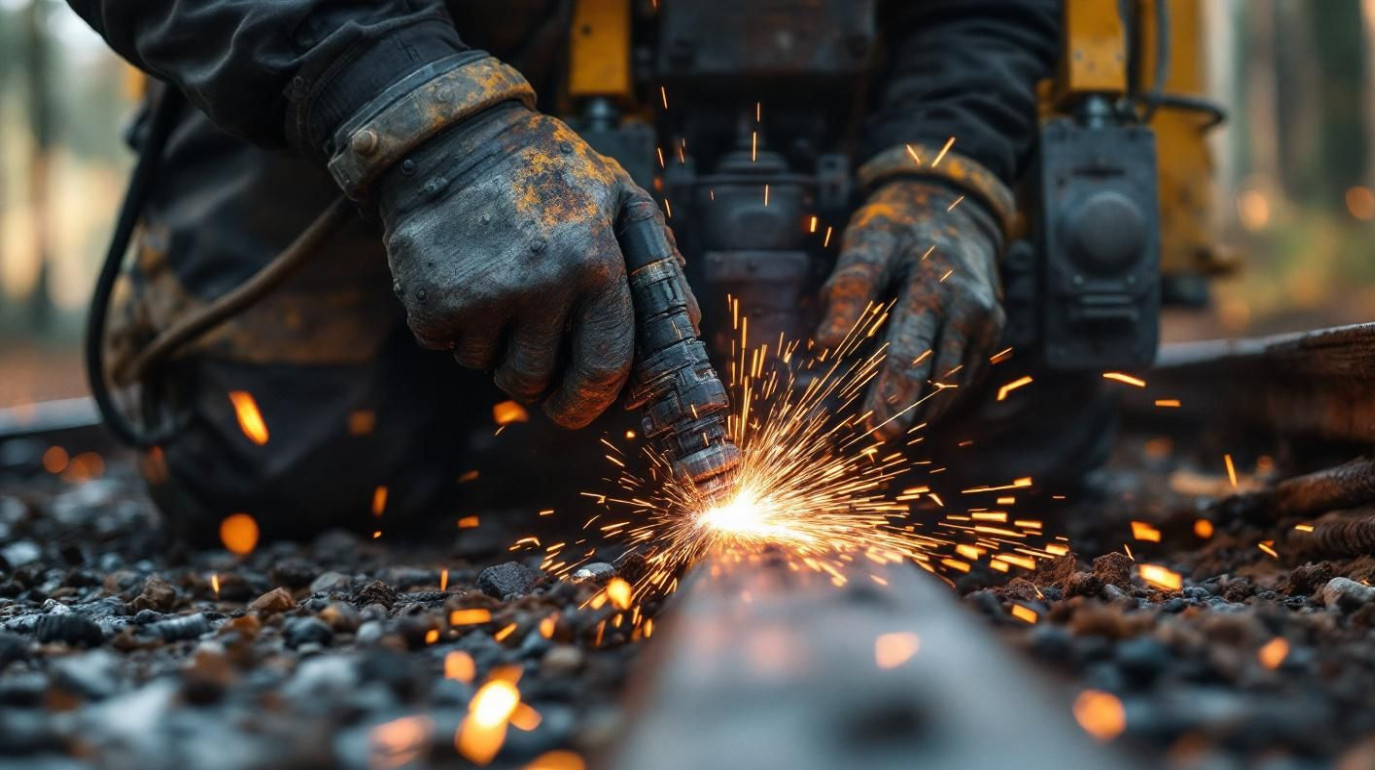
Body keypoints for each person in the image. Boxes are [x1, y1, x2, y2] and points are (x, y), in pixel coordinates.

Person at [68, 0, 1059, 542]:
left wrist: (947, 166)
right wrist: (418, 122)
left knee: (1004, 440)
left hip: (840, 73)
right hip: (383, 38)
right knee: (289, 471)